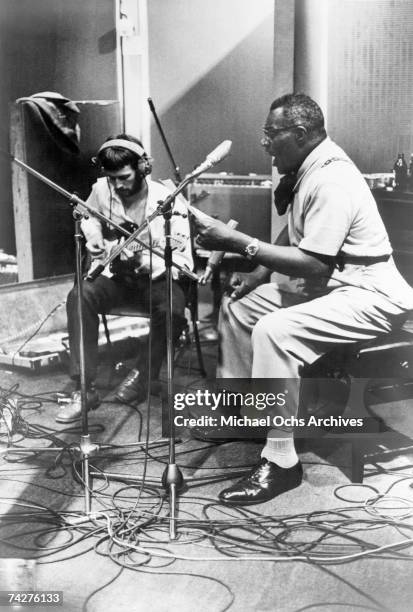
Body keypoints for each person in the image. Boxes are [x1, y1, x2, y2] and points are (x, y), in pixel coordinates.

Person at [192, 93, 413, 505]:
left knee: (276, 330)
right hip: (336, 285)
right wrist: (258, 275)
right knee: (240, 309)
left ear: (299, 133)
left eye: (271, 133)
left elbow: (312, 262)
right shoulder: (306, 166)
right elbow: (298, 230)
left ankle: (281, 463)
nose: (264, 142)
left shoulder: (332, 178)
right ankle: (250, 417)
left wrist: (237, 242)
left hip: (370, 293)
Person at [56, 134, 193, 423]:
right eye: (111, 178)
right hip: (118, 279)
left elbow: (182, 261)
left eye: (124, 177)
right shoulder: (101, 189)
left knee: (173, 310)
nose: (117, 185)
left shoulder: (168, 200)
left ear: (143, 168)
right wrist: (93, 237)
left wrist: (147, 262)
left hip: (156, 279)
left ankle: (143, 374)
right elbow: (87, 216)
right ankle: (85, 388)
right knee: (80, 295)